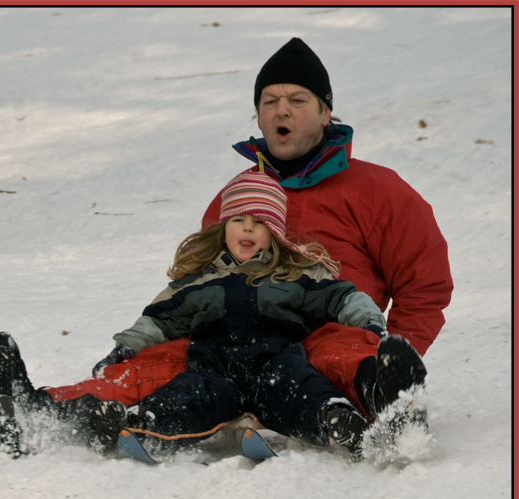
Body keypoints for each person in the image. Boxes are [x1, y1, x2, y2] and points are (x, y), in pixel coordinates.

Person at [59, 36, 452, 422]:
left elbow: (424, 286)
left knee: (339, 353)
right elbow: (202, 289)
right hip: (238, 353)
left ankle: (388, 398)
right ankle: (54, 408)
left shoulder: (378, 192)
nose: (282, 111)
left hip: (331, 355)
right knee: (162, 363)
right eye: (270, 101)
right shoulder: (235, 201)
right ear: (259, 115)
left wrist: (390, 355)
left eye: (297, 100)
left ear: (325, 112)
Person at [0, 171, 426, 461]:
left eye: (260, 221)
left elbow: (342, 297)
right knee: (184, 393)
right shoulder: (198, 281)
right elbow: (160, 319)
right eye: (239, 220)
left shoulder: (296, 274)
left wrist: (369, 325)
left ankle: (348, 416)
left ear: (276, 233)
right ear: (223, 228)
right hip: (214, 366)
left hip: (279, 361)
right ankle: (38, 411)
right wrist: (129, 345)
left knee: (302, 390)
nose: (248, 229)